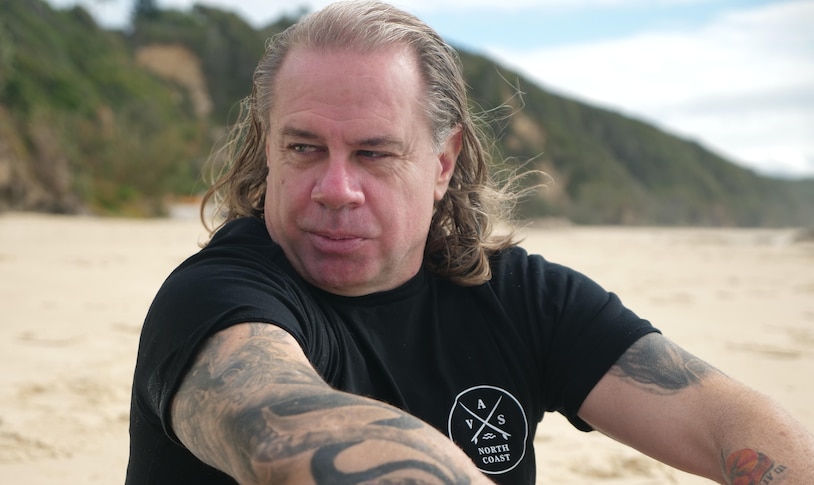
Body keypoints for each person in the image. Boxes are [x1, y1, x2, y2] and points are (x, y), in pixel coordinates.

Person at [125, 1, 814, 484]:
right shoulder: (214, 299)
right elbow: (289, 440)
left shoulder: (521, 299)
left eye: (373, 153)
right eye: (305, 148)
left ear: (443, 162)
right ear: (269, 150)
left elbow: (732, 422)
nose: (336, 187)